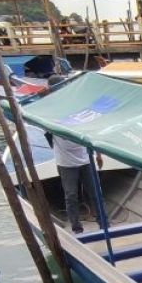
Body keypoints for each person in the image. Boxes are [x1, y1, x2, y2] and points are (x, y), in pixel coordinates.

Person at [47, 75, 103, 234]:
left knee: (95, 192)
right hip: (65, 162)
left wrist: (98, 154)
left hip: (85, 158)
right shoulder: (49, 110)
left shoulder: (78, 106)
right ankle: (77, 228)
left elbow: (93, 129)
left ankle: (103, 223)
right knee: (71, 195)